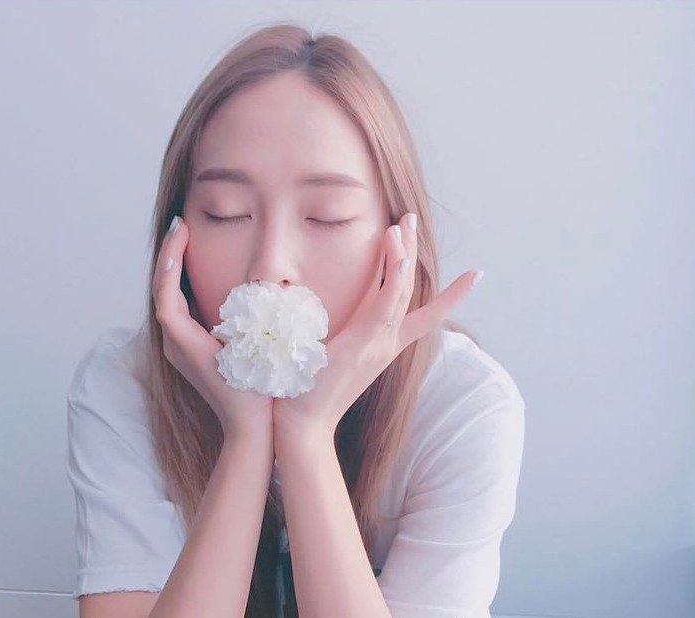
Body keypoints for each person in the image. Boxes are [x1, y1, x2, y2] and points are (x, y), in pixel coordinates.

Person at [66, 21, 525, 618]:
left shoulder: (463, 404)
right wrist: (246, 439)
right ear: (175, 233)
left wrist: (307, 437)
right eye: (226, 212)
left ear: (397, 240)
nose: (270, 266)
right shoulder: (123, 385)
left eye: (328, 216)